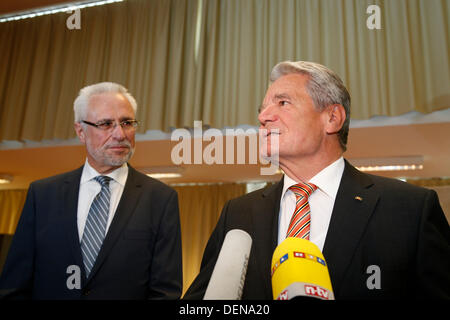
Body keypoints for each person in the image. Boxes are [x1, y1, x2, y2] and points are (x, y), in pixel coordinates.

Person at [184, 61, 450, 299]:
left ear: (332, 118)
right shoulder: (238, 213)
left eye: (283, 103)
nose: (263, 117)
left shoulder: (409, 208)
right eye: (262, 108)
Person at [0, 82, 183, 299]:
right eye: (106, 124)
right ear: (81, 131)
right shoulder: (43, 195)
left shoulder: (161, 199)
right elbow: (14, 287)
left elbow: (165, 292)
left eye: (127, 122)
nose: (120, 134)